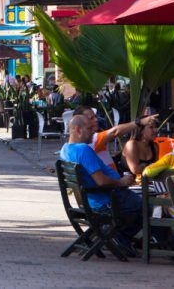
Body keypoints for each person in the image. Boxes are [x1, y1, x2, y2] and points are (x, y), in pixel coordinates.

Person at [59, 107, 142, 256]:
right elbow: (101, 181)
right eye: (90, 128)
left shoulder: (65, 149)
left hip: (91, 201)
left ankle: (116, 236)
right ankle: (120, 237)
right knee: (145, 206)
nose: (94, 131)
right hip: (106, 201)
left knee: (138, 202)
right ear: (78, 130)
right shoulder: (83, 150)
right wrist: (122, 182)